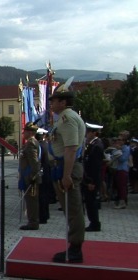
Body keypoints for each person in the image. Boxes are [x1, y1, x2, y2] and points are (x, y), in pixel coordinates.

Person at [48, 85, 86, 263]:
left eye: (54, 101)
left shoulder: (68, 119)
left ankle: (75, 249)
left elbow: (71, 148)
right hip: (62, 166)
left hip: (66, 167)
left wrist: (67, 175)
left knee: (73, 209)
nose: (51, 104)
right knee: (69, 208)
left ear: (63, 102)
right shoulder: (63, 118)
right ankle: (73, 246)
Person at [18, 123, 42, 230]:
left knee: (31, 201)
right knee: (30, 201)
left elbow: (35, 163)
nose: (24, 133)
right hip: (28, 176)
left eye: (26, 131)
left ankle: (33, 223)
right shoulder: (30, 143)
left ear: (31, 133)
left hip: (30, 178)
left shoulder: (31, 143)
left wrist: (32, 177)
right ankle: (32, 221)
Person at [82, 123, 104, 232]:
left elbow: (95, 167)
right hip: (88, 178)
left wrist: (92, 182)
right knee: (89, 202)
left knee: (92, 203)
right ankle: (93, 222)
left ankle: (95, 223)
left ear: (94, 133)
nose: (87, 134)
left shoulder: (97, 146)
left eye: (88, 132)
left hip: (92, 180)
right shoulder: (92, 144)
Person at [36, 128, 53, 224]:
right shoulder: (47, 145)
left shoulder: (38, 146)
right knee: (45, 196)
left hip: (41, 173)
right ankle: (46, 215)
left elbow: (38, 161)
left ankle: (42, 217)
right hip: (47, 173)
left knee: (41, 196)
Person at [112, 133, 130, 209]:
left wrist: (118, 152)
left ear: (124, 141)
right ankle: (120, 200)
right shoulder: (118, 148)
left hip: (123, 169)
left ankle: (123, 202)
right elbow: (113, 155)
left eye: (120, 140)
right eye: (117, 139)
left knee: (122, 186)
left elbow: (123, 159)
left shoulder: (126, 149)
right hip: (117, 169)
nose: (118, 141)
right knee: (119, 186)